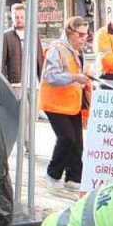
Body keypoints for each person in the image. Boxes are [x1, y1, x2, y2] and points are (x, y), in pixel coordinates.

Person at [40, 17, 91, 188]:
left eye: (86, 35)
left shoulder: (77, 52)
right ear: (70, 32)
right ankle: (53, 173)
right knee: (66, 138)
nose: (84, 38)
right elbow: (51, 76)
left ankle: (74, 177)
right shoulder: (57, 49)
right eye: (81, 34)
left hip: (71, 103)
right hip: (55, 103)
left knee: (77, 142)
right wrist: (75, 77)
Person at [0, 2, 43, 87]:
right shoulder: (6, 36)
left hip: (34, 81)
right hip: (15, 82)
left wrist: (41, 78)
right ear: (12, 18)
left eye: (22, 17)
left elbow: (40, 58)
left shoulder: (33, 34)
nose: (19, 20)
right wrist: (6, 83)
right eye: (16, 17)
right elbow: (1, 62)